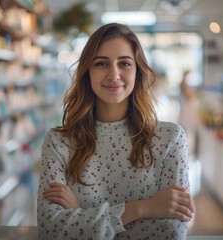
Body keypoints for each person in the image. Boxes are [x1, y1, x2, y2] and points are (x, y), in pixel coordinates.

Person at [37, 23, 195, 240]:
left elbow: (171, 233)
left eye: (125, 64)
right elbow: (51, 230)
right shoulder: (59, 142)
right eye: (101, 63)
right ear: (87, 72)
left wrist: (81, 215)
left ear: (138, 71)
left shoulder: (169, 139)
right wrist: (143, 209)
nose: (114, 74)